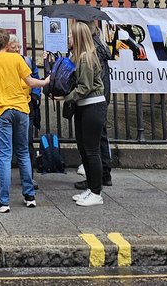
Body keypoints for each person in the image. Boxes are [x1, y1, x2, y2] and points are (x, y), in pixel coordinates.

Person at [0, 27, 48, 213]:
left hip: (2, 110)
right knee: (23, 152)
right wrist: (46, 81)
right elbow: (30, 82)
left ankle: (3, 201)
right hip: (21, 109)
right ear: (7, 43)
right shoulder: (18, 59)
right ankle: (29, 195)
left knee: (5, 155)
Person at [62, 21, 107, 207]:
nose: (68, 37)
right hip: (84, 106)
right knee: (84, 149)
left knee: (91, 151)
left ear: (78, 37)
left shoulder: (86, 58)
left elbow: (85, 87)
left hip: (92, 106)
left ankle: (96, 192)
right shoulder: (78, 57)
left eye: (71, 35)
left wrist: (65, 97)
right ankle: (91, 187)